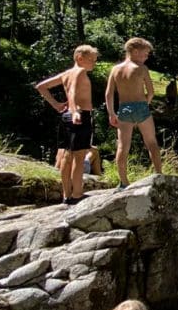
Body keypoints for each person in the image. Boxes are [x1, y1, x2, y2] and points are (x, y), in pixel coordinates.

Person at [36, 44, 99, 205]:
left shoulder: (66, 74)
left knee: (65, 154)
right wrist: (76, 110)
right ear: (80, 58)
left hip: (66, 117)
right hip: (79, 115)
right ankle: (77, 194)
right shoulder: (79, 72)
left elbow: (41, 87)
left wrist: (56, 105)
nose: (94, 63)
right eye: (91, 60)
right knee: (78, 156)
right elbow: (72, 93)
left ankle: (66, 195)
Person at [106, 37, 163, 189]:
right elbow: (151, 92)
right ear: (135, 51)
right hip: (141, 106)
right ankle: (159, 175)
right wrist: (145, 104)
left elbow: (109, 94)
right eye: (145, 54)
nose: (146, 57)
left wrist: (111, 113)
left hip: (124, 108)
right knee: (151, 143)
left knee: (123, 147)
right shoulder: (142, 69)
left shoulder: (115, 69)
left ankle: (123, 182)